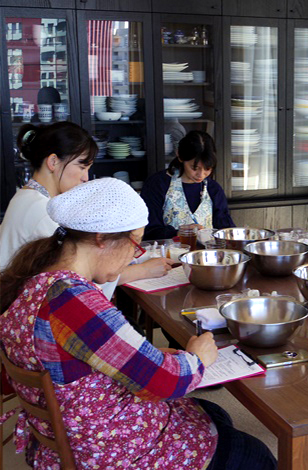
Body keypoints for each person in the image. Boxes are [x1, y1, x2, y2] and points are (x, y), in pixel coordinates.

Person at [0, 178, 276, 469]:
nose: (134, 256)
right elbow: (167, 383)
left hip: (76, 433)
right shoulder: (75, 303)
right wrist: (198, 358)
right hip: (104, 450)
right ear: (100, 238)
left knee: (213, 413)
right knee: (254, 454)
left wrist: (158, 358)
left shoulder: (35, 281)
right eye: (135, 245)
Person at [0, 122, 173, 297]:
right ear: (53, 162)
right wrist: (143, 271)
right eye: (82, 167)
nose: (86, 178)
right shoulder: (41, 210)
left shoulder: (29, 197)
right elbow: (80, 276)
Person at [141, 130, 234, 240]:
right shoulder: (158, 184)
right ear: (180, 156)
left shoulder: (213, 189)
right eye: (194, 168)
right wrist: (179, 233)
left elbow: (225, 228)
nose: (201, 175)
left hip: (205, 255)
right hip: (167, 254)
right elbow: (148, 230)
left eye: (207, 169)